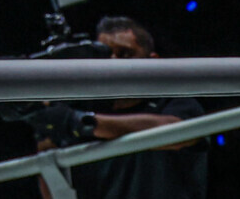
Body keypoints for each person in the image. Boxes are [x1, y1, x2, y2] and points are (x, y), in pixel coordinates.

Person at [28, 17, 208, 199]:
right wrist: (45, 133)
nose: (113, 63)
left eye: (125, 54)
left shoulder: (173, 103)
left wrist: (84, 122)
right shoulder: (79, 114)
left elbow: (176, 133)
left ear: (152, 60)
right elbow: (55, 193)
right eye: (105, 56)